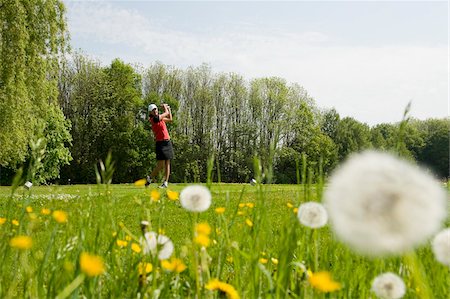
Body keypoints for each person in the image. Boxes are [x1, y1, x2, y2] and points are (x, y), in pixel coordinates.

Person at [146, 103, 174, 188]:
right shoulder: (154, 119)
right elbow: (165, 113)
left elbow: (170, 119)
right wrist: (166, 108)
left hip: (167, 141)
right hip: (160, 143)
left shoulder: (160, 118)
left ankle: (165, 182)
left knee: (167, 162)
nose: (155, 111)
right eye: (153, 110)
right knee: (161, 164)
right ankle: (149, 178)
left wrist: (169, 109)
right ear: (150, 113)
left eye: (156, 109)